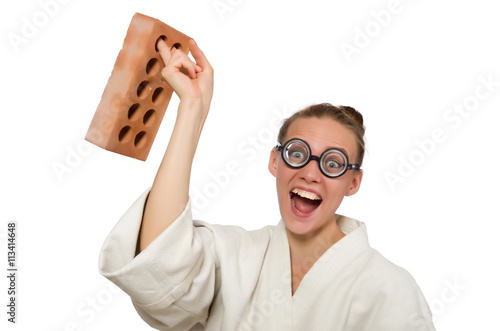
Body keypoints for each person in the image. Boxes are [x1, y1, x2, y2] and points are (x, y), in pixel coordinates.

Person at [99, 38, 435, 330]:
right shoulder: (235, 256)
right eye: (297, 153)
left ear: (353, 182)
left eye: (333, 163)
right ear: (275, 161)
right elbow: (159, 268)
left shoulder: (391, 290)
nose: (311, 173)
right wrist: (193, 109)